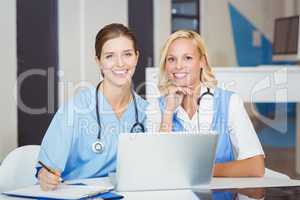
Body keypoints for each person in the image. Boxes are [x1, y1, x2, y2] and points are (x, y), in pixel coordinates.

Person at [36, 23, 148, 190]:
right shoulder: (75, 109)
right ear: (99, 61)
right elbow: (45, 170)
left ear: (137, 57)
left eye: (127, 54)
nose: (120, 63)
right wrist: (45, 176)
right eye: (109, 56)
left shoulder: (146, 111)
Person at [146, 30, 265, 177]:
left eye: (187, 58)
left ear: (202, 61)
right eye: (171, 59)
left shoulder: (230, 102)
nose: (178, 66)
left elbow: (255, 167)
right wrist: (169, 113)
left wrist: (200, 171)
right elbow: (154, 166)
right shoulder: (157, 107)